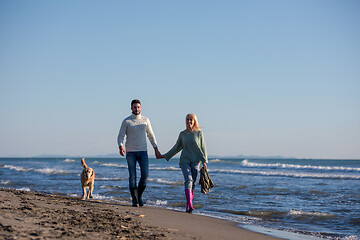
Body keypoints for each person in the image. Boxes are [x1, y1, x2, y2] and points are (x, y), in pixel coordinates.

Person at [158, 113, 208, 213]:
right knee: (188, 180)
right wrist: (165, 155)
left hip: (195, 161)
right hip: (184, 160)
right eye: (187, 120)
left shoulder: (199, 133)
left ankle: (188, 204)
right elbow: (177, 147)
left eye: (191, 120)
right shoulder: (182, 134)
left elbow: (203, 148)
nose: (189, 121)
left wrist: (204, 161)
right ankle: (190, 204)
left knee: (192, 183)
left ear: (194, 121)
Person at [117, 99, 161, 207]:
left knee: (145, 175)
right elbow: (120, 136)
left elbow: (151, 135)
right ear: (131, 108)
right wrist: (120, 146)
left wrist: (156, 148)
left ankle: (139, 196)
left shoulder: (145, 120)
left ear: (141, 108)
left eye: (138, 107)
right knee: (132, 177)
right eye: (134, 107)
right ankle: (134, 200)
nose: (136, 109)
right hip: (130, 152)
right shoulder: (126, 121)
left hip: (143, 151)